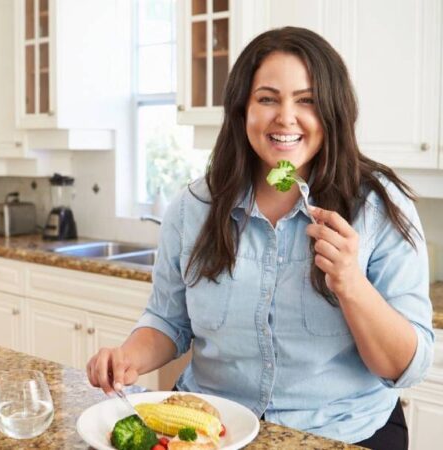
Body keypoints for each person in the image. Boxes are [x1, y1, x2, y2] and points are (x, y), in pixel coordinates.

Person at [86, 26, 434, 449]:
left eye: (306, 100)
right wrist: (129, 358)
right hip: (212, 428)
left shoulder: (379, 208)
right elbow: (168, 321)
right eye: (267, 98)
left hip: (343, 431)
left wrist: (351, 284)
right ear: (241, 110)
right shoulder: (192, 207)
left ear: (333, 111)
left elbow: (405, 367)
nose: (285, 117)